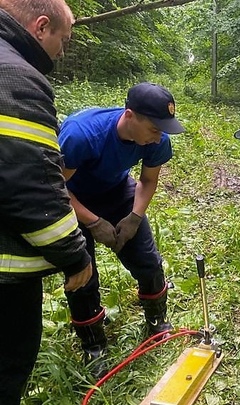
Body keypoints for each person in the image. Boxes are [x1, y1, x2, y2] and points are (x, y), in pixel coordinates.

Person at [58, 82, 185, 378]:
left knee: (148, 261)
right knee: (82, 275)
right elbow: (55, 187)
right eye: (154, 128)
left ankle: (157, 321)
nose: (158, 137)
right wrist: (92, 221)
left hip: (117, 191)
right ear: (130, 116)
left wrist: (135, 217)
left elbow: (148, 181)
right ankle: (94, 347)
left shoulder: (157, 140)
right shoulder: (82, 134)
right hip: (72, 199)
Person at [0, 0, 93, 403]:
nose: (62, 52)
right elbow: (30, 185)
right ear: (41, 27)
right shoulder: (16, 78)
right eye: (64, 40)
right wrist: (75, 255)